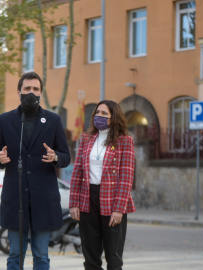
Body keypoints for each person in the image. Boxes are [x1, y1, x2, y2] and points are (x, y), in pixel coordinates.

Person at [0, 71, 71, 270]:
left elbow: (66, 157)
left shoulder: (53, 120)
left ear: (41, 93)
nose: (31, 93)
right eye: (27, 89)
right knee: (15, 255)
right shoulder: (5, 120)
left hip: (44, 200)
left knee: (41, 256)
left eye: (35, 89)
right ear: (19, 91)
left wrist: (56, 157)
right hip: (15, 199)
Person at [69, 100, 135, 270]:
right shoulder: (86, 139)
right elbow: (77, 172)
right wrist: (74, 203)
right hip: (87, 200)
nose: (99, 116)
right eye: (97, 113)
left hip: (112, 201)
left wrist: (119, 208)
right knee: (90, 255)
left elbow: (126, 177)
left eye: (104, 114)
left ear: (114, 118)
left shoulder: (124, 141)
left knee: (113, 257)